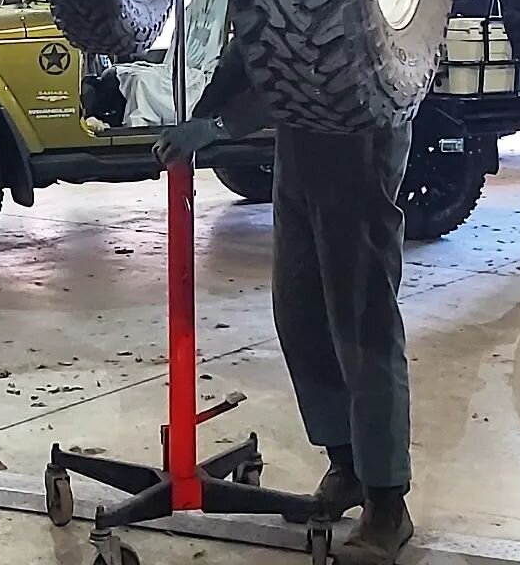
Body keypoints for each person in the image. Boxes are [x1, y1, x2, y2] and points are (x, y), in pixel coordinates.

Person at [156, 43, 414, 565]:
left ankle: (388, 503)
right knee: (300, 313)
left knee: (362, 322)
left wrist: (225, 122)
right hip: (299, 145)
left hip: (359, 128)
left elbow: (322, 61)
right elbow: (255, 41)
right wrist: (204, 113)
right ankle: (346, 466)